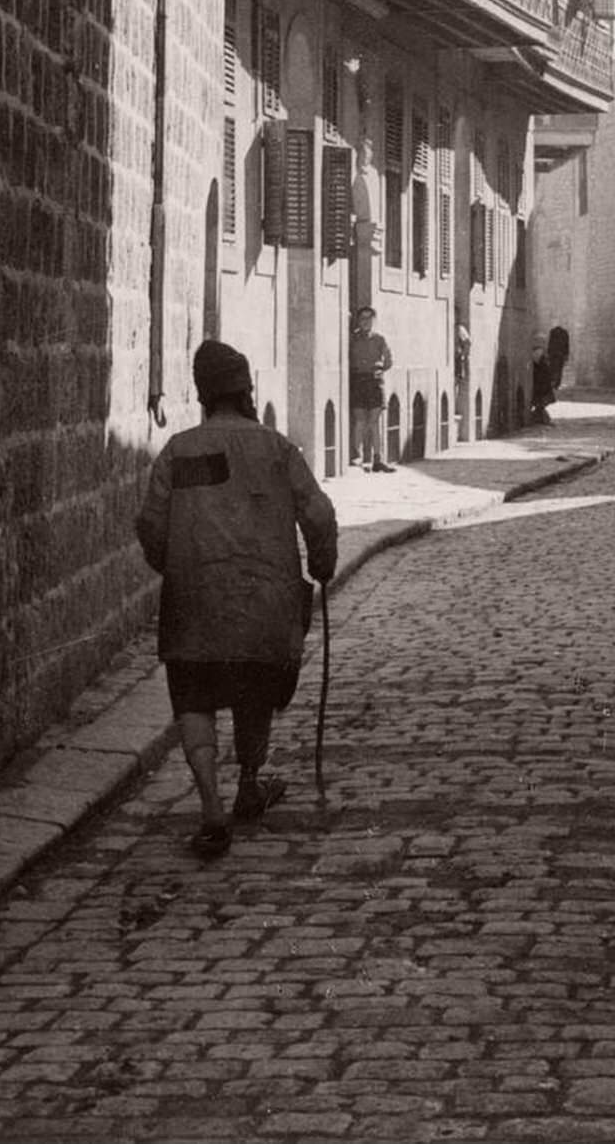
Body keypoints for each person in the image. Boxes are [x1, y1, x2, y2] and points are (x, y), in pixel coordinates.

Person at [136, 340, 337, 859]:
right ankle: (250, 782)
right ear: (247, 392)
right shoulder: (277, 448)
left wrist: (177, 567)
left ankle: (210, 810)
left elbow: (152, 527)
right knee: (255, 688)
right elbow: (318, 514)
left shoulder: (177, 452)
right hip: (265, 603)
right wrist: (322, 563)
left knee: (194, 699)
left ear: (203, 394)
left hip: (193, 603)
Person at [349, 305, 394, 472]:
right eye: (362, 318)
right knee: (360, 420)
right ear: (358, 321)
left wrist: (380, 368)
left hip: (375, 382)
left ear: (374, 321)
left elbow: (389, 360)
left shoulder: (379, 339)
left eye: (369, 318)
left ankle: (378, 459)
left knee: (374, 422)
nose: (366, 322)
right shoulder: (352, 339)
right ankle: (357, 456)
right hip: (358, 380)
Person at [530, 334, 555, 426]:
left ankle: (541, 417)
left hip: (542, 381)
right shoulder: (538, 352)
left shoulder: (540, 353)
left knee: (541, 401)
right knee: (541, 400)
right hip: (540, 382)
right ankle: (541, 418)